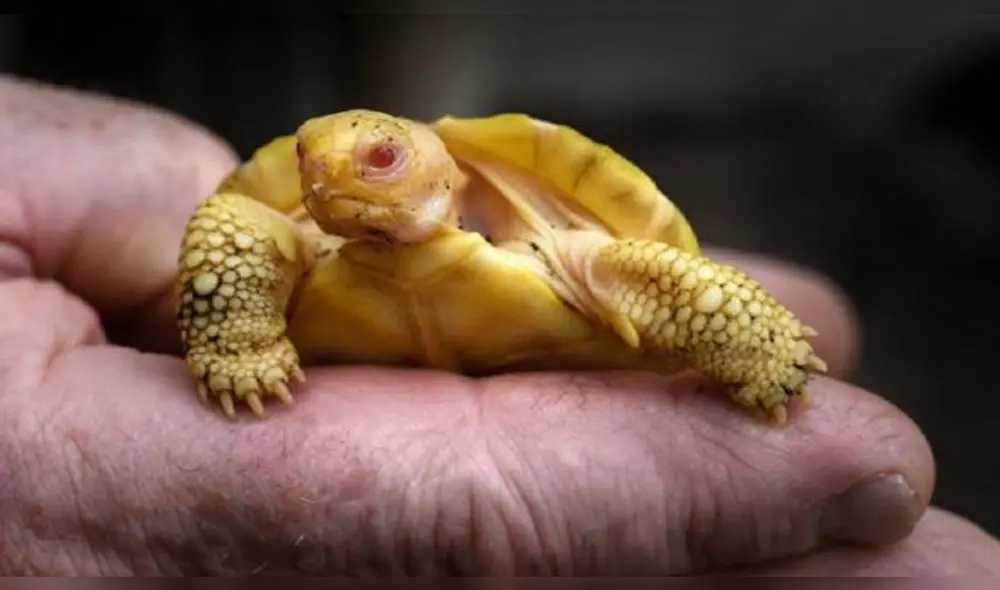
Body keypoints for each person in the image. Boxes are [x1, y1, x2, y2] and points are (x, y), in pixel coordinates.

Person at [0, 74, 997, 576]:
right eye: (315, 159)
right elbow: (237, 224)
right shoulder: (289, 243)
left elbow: (663, 275)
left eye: (377, 158)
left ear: (443, 166)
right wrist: (236, 339)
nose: (331, 173)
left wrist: (755, 348)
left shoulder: (571, 250)